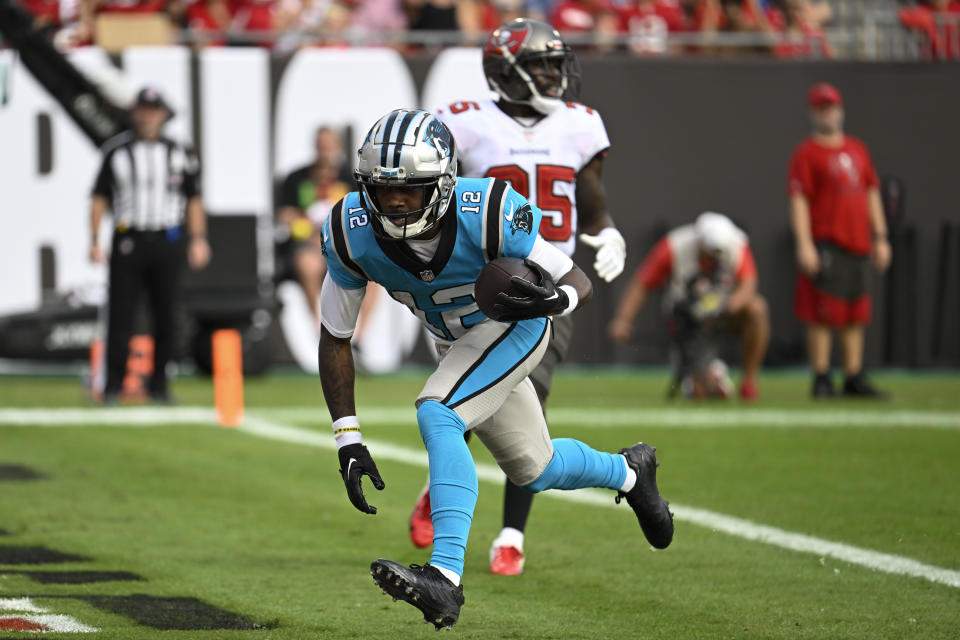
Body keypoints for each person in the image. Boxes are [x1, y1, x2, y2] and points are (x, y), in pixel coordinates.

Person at [318, 108, 673, 630]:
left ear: (440, 182)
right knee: (536, 467)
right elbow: (335, 336)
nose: (394, 202)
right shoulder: (350, 232)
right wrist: (347, 437)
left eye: (410, 189)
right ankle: (630, 471)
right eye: (382, 189)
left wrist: (554, 303)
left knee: (438, 411)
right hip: (456, 344)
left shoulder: (486, 208)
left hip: (516, 325)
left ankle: (445, 578)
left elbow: (574, 275)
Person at [410, 18, 627, 576]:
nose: (554, 76)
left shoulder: (580, 124)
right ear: (505, 72)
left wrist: (607, 231)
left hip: (553, 283)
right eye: (541, 66)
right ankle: (449, 485)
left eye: (557, 65)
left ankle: (509, 532)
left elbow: (593, 200)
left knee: (528, 401)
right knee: (484, 398)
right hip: (485, 281)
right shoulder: (464, 123)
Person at [89, 86, 211, 404]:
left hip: (167, 240)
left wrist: (198, 239)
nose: (147, 116)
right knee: (121, 314)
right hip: (128, 238)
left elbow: (193, 199)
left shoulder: (179, 153)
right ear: (134, 113)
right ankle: (113, 385)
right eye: (142, 109)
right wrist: (94, 239)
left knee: (166, 314)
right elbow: (100, 197)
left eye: (153, 110)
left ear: (163, 115)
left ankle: (160, 386)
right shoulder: (116, 151)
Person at [788, 82, 890, 398]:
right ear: (812, 113)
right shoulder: (806, 153)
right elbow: (799, 199)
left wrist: (881, 236)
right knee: (822, 313)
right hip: (827, 241)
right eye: (821, 108)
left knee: (855, 312)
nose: (827, 113)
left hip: (858, 241)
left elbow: (872, 191)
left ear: (840, 110)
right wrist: (804, 243)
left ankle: (852, 375)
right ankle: (821, 376)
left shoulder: (857, 149)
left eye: (831, 107)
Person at [608, 212, 767, 400]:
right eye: (709, 252)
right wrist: (623, 320)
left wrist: (727, 308)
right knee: (700, 393)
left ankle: (749, 381)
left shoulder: (737, 246)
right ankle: (704, 374)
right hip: (687, 323)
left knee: (757, 308)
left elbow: (748, 285)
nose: (713, 258)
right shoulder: (674, 246)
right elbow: (642, 283)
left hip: (723, 315)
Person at [275, 126, 352, 326]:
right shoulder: (296, 177)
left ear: (339, 148)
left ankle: (358, 333)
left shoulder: (350, 179)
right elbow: (284, 214)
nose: (324, 152)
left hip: (344, 244)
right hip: (308, 244)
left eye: (329, 147)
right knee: (309, 264)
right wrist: (307, 228)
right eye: (321, 147)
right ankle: (320, 324)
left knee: (372, 273)